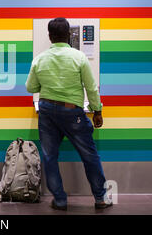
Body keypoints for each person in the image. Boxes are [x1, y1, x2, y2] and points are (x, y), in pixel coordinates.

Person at [25, 17, 113, 211]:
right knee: (89, 155)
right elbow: (91, 88)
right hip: (73, 112)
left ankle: (60, 199)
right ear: (69, 35)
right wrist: (97, 111)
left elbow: (30, 87)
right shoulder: (79, 57)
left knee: (50, 156)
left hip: (47, 110)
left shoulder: (39, 59)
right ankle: (100, 198)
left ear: (49, 36)